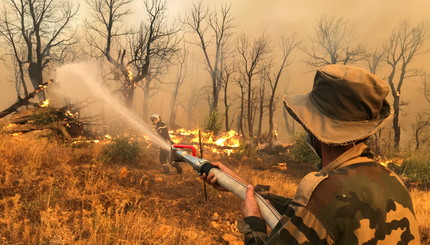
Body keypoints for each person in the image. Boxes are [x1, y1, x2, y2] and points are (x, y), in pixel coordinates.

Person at [202, 65, 421, 244]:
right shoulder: (394, 183)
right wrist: (240, 185)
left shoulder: (321, 189)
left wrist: (253, 221)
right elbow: (307, 212)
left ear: (315, 130)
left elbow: (316, 208)